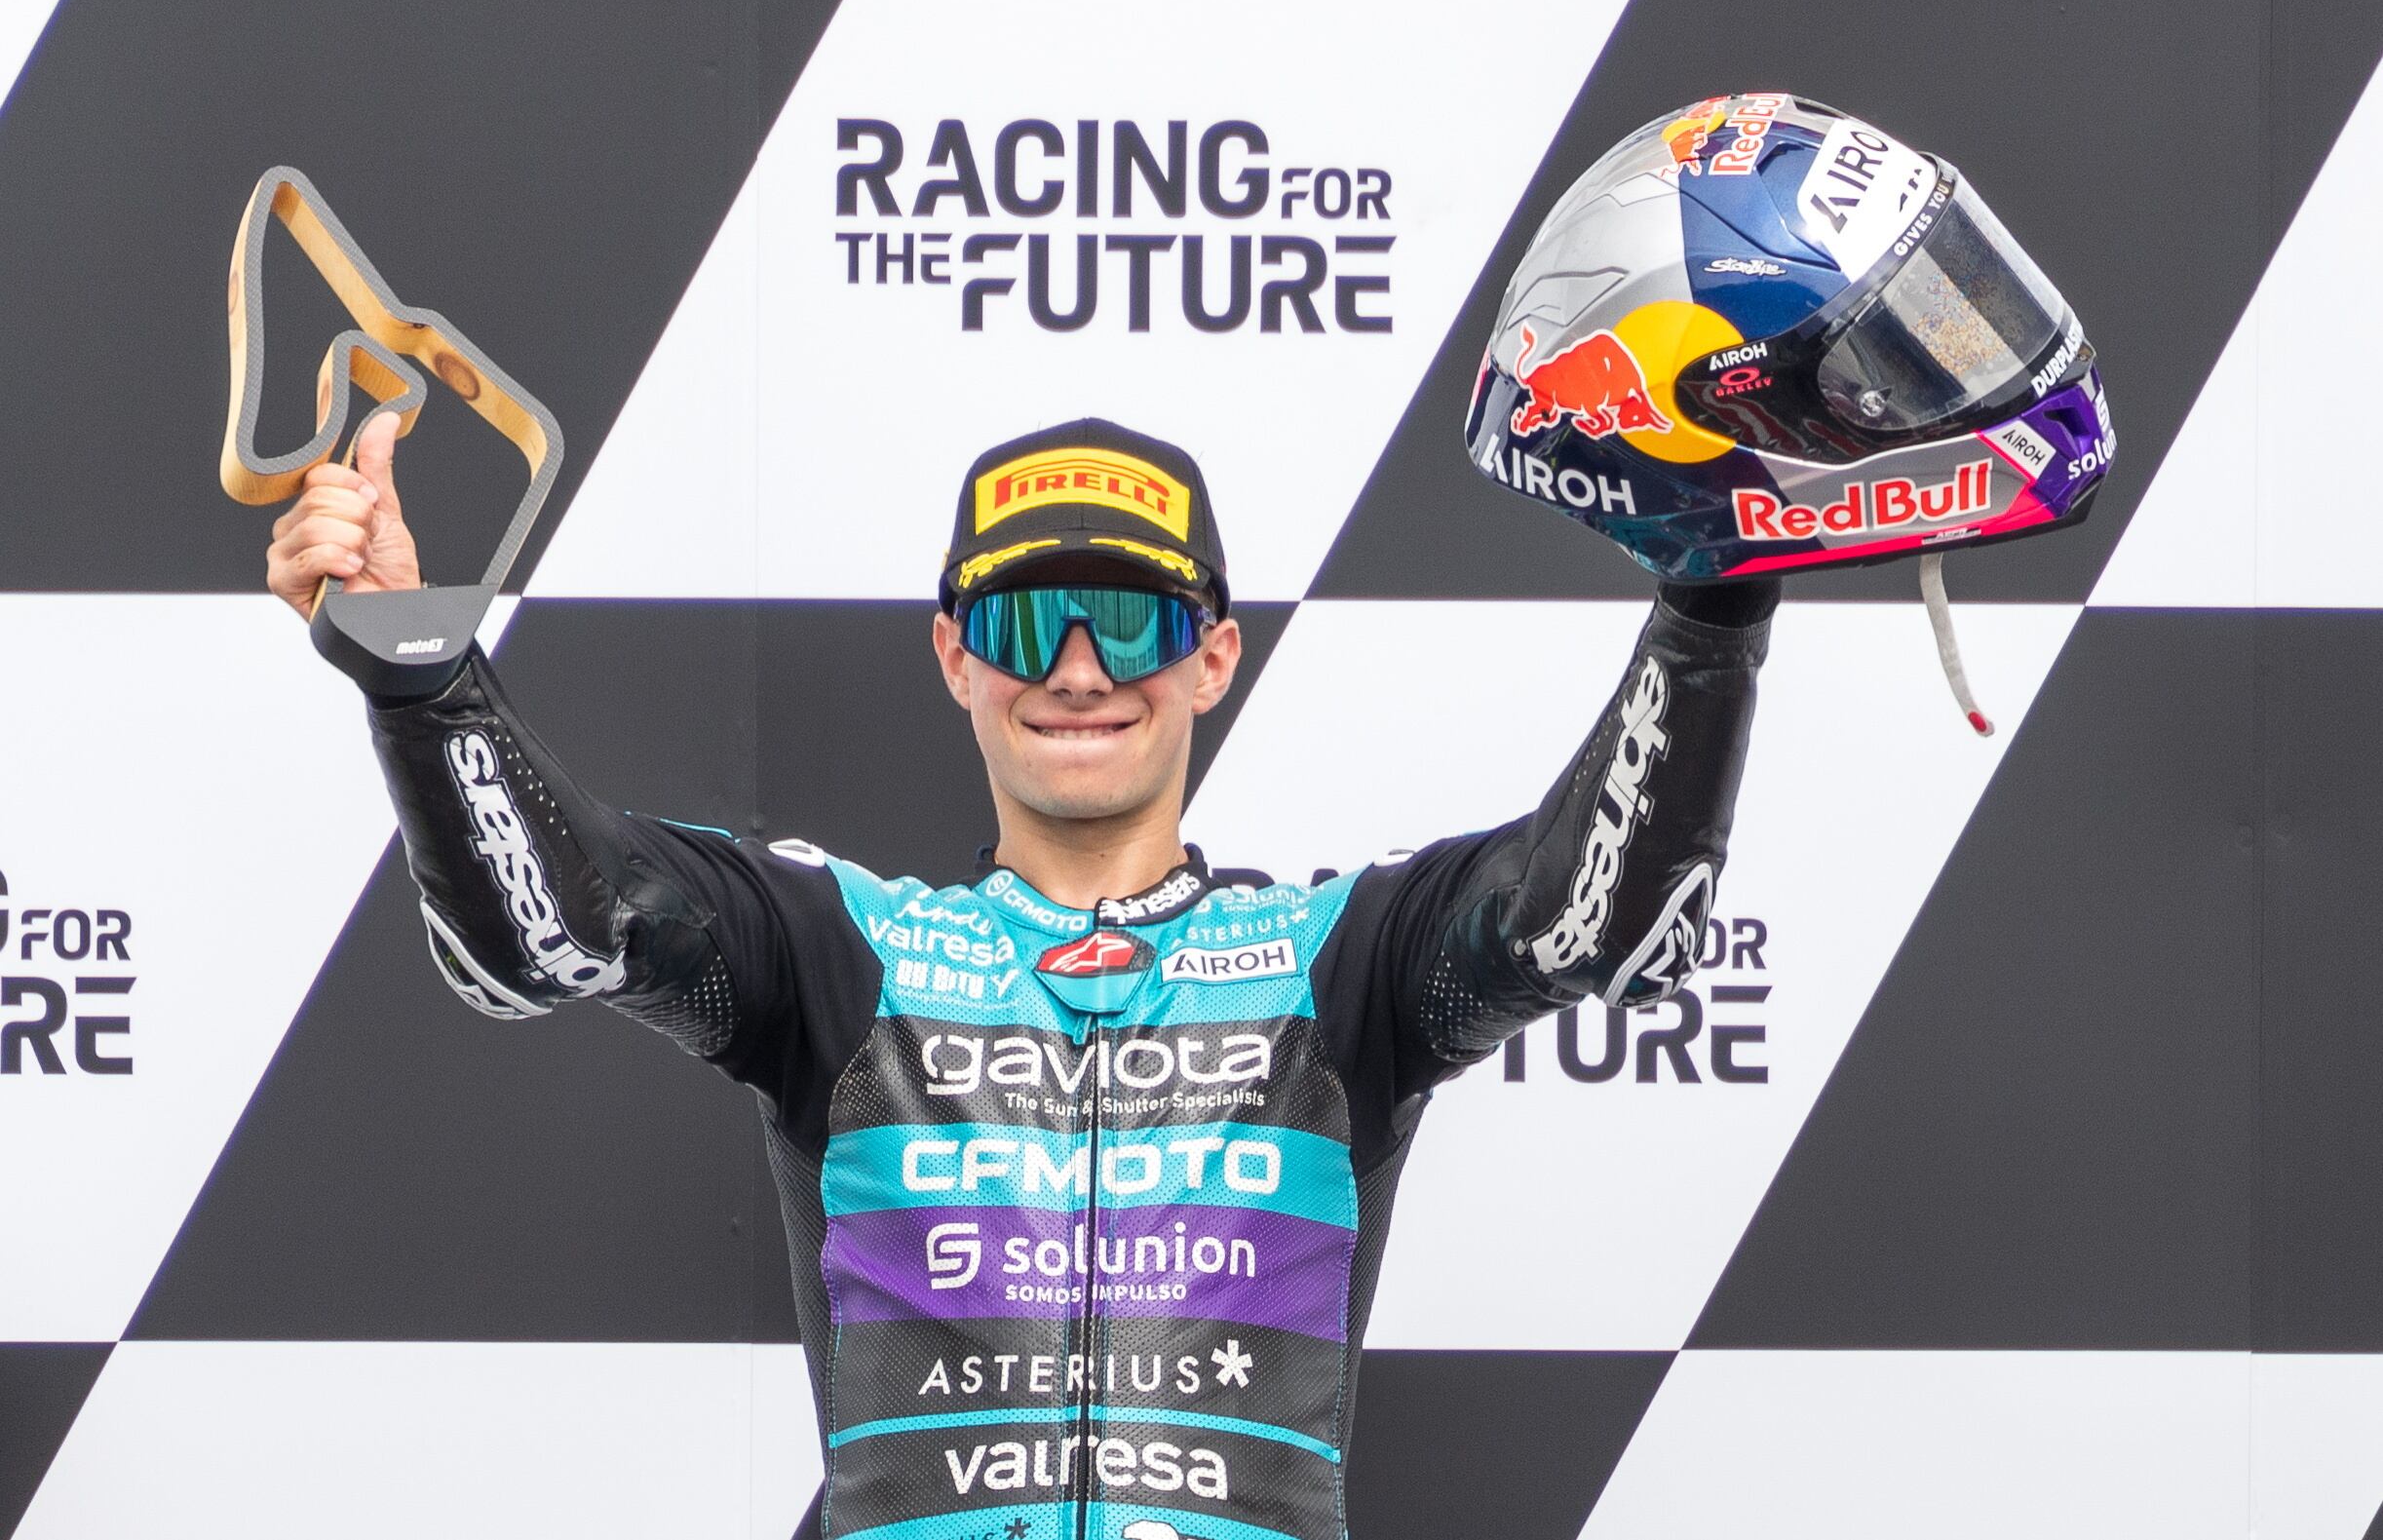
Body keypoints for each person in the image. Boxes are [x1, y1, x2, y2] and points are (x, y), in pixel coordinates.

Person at [265, 410, 1774, 1540]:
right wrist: (419, 673)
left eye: (1124, 617)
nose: (1073, 666)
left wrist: (1711, 597)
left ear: (1211, 654)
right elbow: (551, 931)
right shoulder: (832, 947)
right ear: (948, 654)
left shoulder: (1343, 961)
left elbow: (1598, 916)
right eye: (1016, 620)